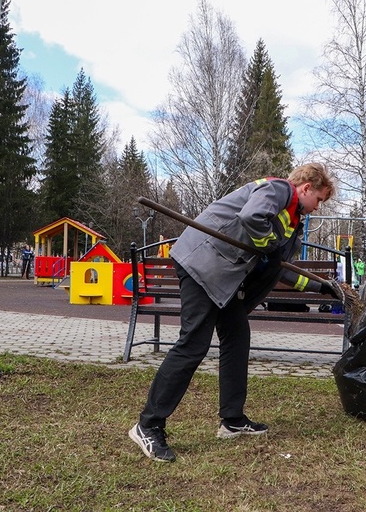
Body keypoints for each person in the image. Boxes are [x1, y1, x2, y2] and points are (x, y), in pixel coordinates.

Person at [129, 163, 339, 462]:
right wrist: (267, 246)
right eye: (319, 199)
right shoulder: (278, 190)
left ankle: (232, 419)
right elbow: (251, 217)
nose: (317, 207)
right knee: (193, 345)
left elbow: (280, 268)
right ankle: (148, 425)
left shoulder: (293, 222)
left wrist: (322, 289)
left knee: (237, 338)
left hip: (222, 279)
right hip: (203, 265)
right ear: (306, 188)